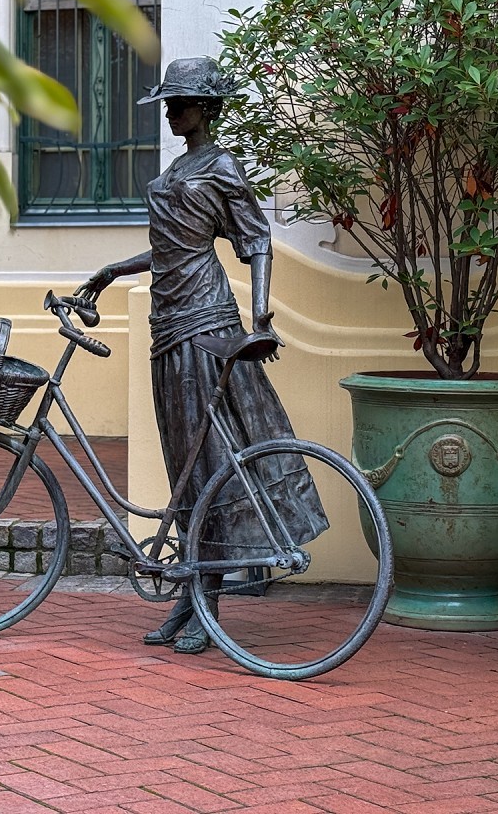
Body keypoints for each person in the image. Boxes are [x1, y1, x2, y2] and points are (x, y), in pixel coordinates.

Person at [77, 57, 329, 654]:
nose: (171, 112)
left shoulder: (221, 166)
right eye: (169, 103)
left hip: (205, 320)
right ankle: (190, 592)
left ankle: (209, 602)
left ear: (207, 108)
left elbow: (257, 240)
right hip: (166, 323)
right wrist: (112, 270)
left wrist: (261, 316)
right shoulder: (178, 168)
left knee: (211, 459)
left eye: (181, 103)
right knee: (183, 465)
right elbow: (169, 250)